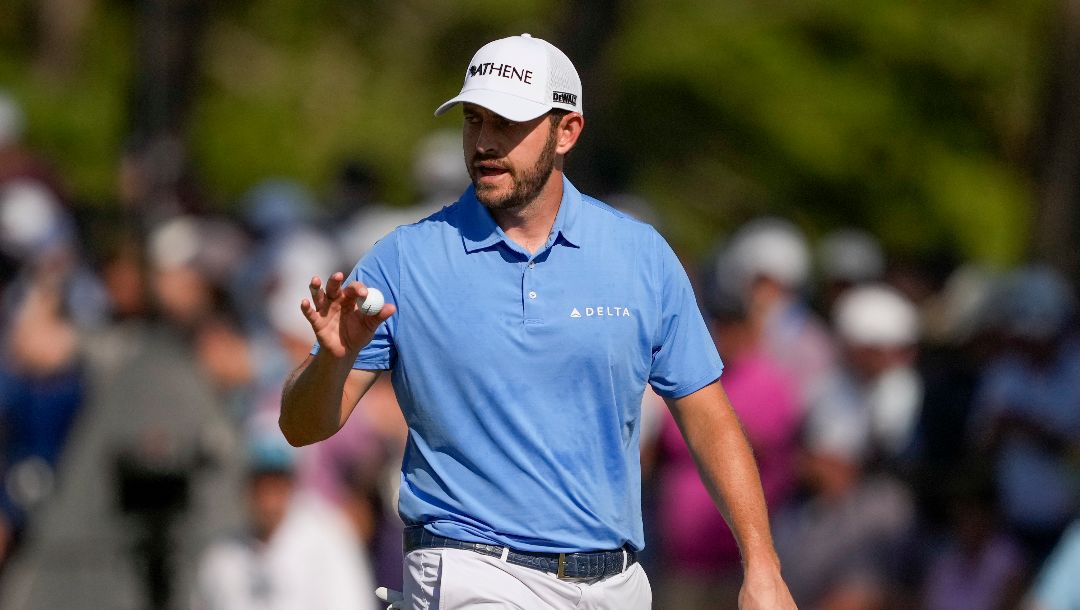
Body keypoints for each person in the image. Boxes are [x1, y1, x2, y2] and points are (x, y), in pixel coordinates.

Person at [279, 33, 795, 610]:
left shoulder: (641, 256)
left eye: (508, 124)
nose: (484, 143)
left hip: (614, 583)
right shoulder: (403, 259)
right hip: (470, 569)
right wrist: (334, 359)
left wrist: (762, 566)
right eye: (474, 121)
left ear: (567, 130)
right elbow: (303, 427)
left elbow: (708, 417)